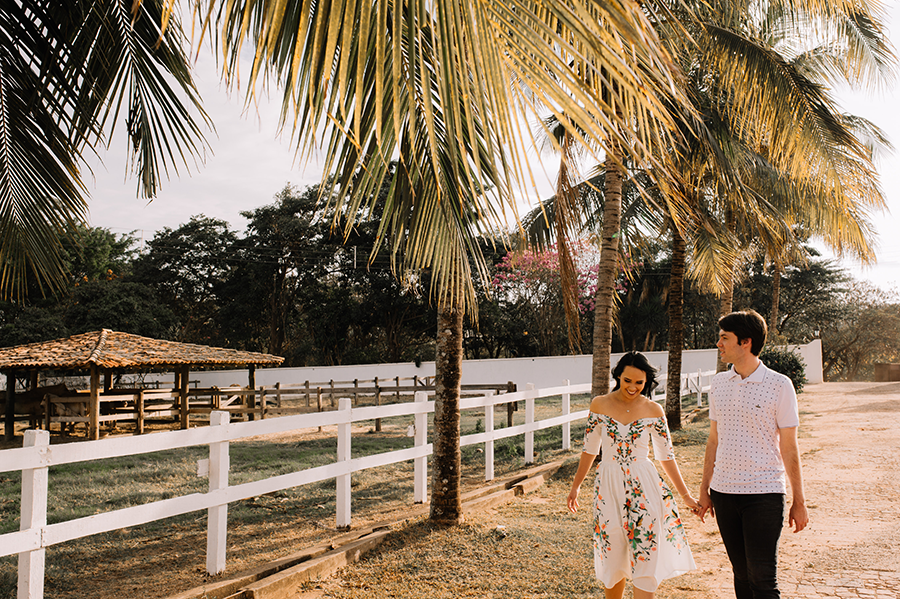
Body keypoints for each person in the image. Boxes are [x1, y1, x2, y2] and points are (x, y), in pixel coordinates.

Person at [568, 351, 699, 599]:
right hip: (608, 485)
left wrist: (686, 495)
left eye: (639, 383)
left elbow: (666, 456)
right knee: (612, 552)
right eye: (628, 380)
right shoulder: (599, 404)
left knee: (646, 551)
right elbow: (589, 450)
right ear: (618, 376)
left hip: (644, 484)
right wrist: (576, 487)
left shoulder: (654, 410)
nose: (633, 387)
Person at [697, 309, 809, 598]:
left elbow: (789, 446)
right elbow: (713, 440)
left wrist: (799, 500)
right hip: (723, 493)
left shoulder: (779, 385)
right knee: (741, 576)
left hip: (764, 494)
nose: (718, 344)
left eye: (724, 338)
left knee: (763, 580)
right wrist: (704, 490)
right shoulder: (719, 384)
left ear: (745, 342)